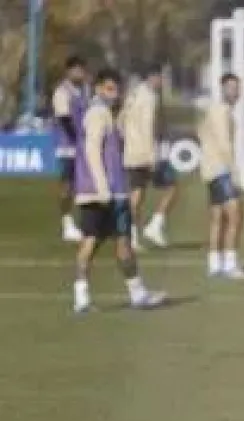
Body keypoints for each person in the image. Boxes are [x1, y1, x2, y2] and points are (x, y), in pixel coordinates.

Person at [72, 68, 166, 313]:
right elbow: (92, 151)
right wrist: (102, 187)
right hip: (99, 193)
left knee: (122, 242)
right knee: (91, 242)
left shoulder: (109, 113)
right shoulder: (97, 114)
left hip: (115, 191)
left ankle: (137, 294)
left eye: (116, 89)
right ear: (98, 89)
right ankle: (81, 297)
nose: (114, 94)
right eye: (109, 89)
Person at [197, 73, 244, 279]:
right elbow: (224, 143)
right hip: (221, 170)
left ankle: (214, 264)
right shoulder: (221, 111)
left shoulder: (215, 110)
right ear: (222, 89)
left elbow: (201, 131)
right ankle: (229, 264)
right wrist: (234, 172)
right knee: (235, 215)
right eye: (231, 87)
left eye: (237, 87)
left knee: (218, 217)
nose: (235, 91)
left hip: (211, 169)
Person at [122, 63, 176, 249]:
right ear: (153, 77)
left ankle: (132, 236)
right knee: (171, 187)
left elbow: (122, 119)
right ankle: (153, 226)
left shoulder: (133, 94)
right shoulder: (149, 97)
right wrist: (152, 155)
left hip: (131, 150)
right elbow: (148, 127)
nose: (162, 82)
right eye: (161, 77)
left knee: (136, 193)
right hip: (145, 152)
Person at [51, 56, 89, 242]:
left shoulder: (83, 91)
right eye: (77, 70)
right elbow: (64, 119)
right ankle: (67, 223)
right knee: (68, 184)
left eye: (82, 70)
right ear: (69, 71)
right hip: (68, 146)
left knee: (80, 184)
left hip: (82, 145)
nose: (81, 73)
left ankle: (83, 222)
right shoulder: (62, 92)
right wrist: (78, 139)